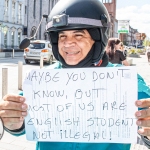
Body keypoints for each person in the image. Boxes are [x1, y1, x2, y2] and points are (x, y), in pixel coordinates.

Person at [1, 0, 150, 150]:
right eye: (62, 36)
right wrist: (13, 121)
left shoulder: (127, 82)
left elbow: (144, 127)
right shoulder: (42, 79)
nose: (67, 44)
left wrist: (148, 133)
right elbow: (24, 122)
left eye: (78, 35)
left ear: (98, 39)